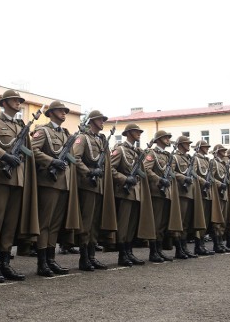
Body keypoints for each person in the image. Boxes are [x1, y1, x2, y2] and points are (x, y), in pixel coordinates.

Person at [0, 89, 39, 283]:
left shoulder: (21, 125)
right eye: (14, 100)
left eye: (19, 101)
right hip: (0, 176)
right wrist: (4, 156)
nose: (18, 103)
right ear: (4, 103)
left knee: (10, 224)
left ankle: (5, 263)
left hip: (18, 178)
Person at [30, 100, 81, 277]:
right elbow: (33, 151)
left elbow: (73, 158)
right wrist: (52, 161)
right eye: (60, 111)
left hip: (63, 182)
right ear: (50, 113)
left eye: (64, 111)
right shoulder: (42, 131)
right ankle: (42, 262)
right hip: (48, 181)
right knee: (45, 223)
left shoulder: (66, 135)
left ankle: (51, 260)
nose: (63, 113)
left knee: (55, 224)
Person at [71, 110, 118, 271]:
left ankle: (92, 256)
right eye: (99, 120)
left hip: (100, 185)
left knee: (95, 223)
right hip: (87, 184)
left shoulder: (102, 140)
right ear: (91, 121)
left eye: (103, 120)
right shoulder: (83, 138)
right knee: (86, 222)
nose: (102, 122)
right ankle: (84, 258)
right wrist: (89, 172)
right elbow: (76, 158)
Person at [110, 124, 156, 266]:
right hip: (124, 192)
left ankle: (129, 252)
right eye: (137, 131)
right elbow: (110, 168)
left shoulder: (137, 152)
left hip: (136, 192)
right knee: (123, 225)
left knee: (131, 225)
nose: (139, 133)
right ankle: (122, 254)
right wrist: (124, 179)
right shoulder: (120, 150)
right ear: (129, 133)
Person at [143, 130, 183, 262]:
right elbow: (146, 169)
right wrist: (159, 180)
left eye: (168, 137)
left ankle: (159, 250)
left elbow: (170, 172)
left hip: (166, 192)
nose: (168, 139)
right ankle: (153, 251)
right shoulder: (152, 153)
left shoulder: (167, 156)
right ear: (159, 139)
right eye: (166, 137)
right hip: (156, 192)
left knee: (162, 224)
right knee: (156, 222)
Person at [171, 136, 206, 259]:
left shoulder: (189, 158)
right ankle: (179, 249)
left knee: (186, 223)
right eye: (186, 143)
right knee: (179, 222)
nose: (188, 145)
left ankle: (184, 247)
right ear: (180, 144)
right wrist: (183, 178)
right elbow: (171, 172)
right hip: (181, 193)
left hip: (190, 192)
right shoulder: (175, 157)